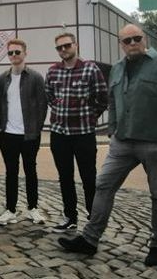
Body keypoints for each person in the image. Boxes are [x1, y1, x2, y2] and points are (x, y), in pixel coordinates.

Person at [59, 24, 157, 267]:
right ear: (121, 44)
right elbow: (113, 101)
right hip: (123, 141)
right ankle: (90, 239)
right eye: (126, 41)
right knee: (103, 185)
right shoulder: (117, 68)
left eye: (136, 39)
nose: (131, 44)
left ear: (144, 39)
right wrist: (113, 130)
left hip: (154, 141)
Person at [45, 33, 108, 232]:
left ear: (75, 45)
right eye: (59, 48)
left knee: (89, 177)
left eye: (66, 46)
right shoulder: (53, 71)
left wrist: (90, 117)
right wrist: (58, 106)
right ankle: (70, 217)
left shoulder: (90, 69)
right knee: (65, 177)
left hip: (83, 134)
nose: (63, 50)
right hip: (59, 133)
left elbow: (102, 98)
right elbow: (49, 95)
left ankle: (92, 217)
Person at [0, 39, 47, 226]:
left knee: (30, 170)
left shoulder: (35, 78)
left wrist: (36, 128)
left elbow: (42, 104)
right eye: (10, 53)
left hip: (29, 135)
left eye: (17, 52)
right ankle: (11, 210)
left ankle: (33, 208)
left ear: (25, 53)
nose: (14, 56)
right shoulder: (2, 79)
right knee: (11, 172)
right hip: (8, 134)